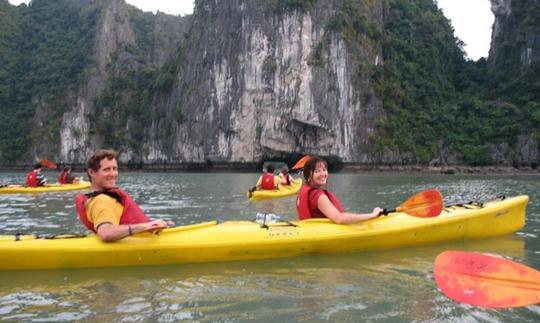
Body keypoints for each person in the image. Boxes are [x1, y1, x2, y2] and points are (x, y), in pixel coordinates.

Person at [75, 149, 173, 242]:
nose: (113, 174)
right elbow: (106, 233)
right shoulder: (102, 201)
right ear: (91, 173)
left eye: (115, 169)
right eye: (106, 170)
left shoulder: (105, 196)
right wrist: (147, 226)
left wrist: (157, 225)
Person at [296, 156, 383, 224]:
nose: (323, 174)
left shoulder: (307, 191)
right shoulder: (318, 196)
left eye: (324, 170)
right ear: (308, 177)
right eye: (317, 171)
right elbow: (339, 218)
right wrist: (372, 215)